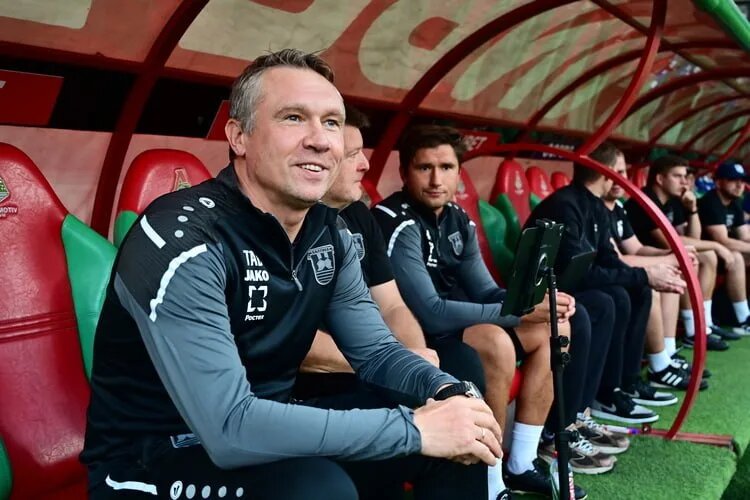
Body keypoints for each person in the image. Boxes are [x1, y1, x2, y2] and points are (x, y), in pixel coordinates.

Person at [80, 49, 502, 500]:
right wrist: (414, 430)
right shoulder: (184, 238)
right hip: (155, 457)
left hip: (269, 429)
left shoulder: (329, 232)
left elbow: (377, 353)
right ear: (239, 137)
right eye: (294, 118)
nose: (320, 140)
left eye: (332, 123)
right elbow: (229, 427)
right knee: (318, 489)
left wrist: (445, 391)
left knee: (461, 431)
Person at [373, 125, 589, 498]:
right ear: (405, 172)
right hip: (417, 337)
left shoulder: (457, 218)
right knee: (494, 341)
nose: (436, 179)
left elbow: (486, 290)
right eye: (424, 168)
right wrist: (519, 313)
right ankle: (490, 480)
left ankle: (521, 463)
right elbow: (431, 312)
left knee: (555, 328)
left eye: (446, 167)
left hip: (457, 323)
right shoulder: (395, 220)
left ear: (459, 173)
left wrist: (536, 303)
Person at [296, 105, 487, 414]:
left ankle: (500, 446)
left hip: (372, 357)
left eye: (447, 168)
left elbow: (391, 305)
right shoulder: (286, 223)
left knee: (464, 366)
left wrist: (414, 357)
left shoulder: (357, 214)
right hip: (318, 382)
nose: (365, 164)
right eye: (352, 154)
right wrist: (397, 365)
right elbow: (290, 340)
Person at [528, 142, 686, 425]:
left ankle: (619, 386)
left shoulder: (595, 206)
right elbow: (575, 274)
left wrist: (646, 276)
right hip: (545, 294)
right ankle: (577, 413)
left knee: (635, 291)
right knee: (603, 303)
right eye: (620, 172)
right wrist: (644, 274)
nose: (623, 179)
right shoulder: (565, 206)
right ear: (606, 171)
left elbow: (609, 259)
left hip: (571, 287)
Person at [603, 152, 710, 391]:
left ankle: (667, 355)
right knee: (651, 286)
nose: (620, 179)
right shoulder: (610, 207)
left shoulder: (617, 208)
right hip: (608, 277)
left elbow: (636, 248)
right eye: (614, 172)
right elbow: (617, 259)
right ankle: (659, 366)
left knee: (670, 270)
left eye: (623, 172)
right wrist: (670, 256)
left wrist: (669, 256)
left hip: (622, 270)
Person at [625, 155, 743, 348]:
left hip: (664, 255)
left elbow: (692, 237)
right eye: (677, 176)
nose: (684, 182)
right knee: (696, 256)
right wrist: (716, 245)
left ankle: (702, 326)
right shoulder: (644, 201)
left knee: (703, 256)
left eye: (685, 176)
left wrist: (692, 209)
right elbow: (671, 241)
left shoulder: (673, 201)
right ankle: (691, 331)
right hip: (645, 259)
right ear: (660, 179)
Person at [698, 162, 750, 335]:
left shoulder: (735, 203)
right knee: (737, 257)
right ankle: (743, 318)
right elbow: (722, 240)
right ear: (718, 182)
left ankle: (742, 315)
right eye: (733, 180)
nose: (739, 185)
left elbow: (744, 236)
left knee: (741, 255)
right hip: (705, 253)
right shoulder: (710, 201)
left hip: (720, 254)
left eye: (742, 181)